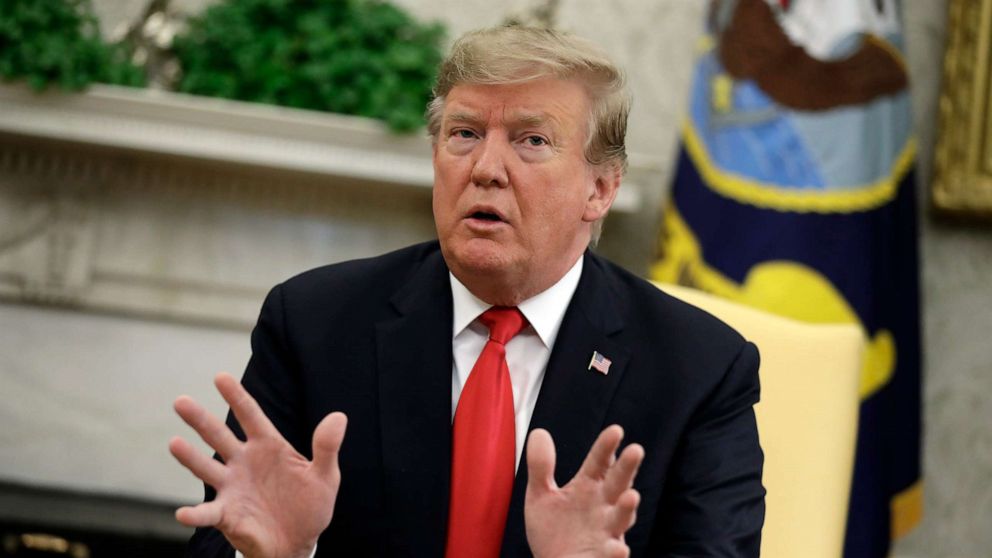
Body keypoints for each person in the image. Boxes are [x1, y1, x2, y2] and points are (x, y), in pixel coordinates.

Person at [169, 26, 765, 558]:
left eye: (531, 141)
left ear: (601, 190)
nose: (485, 167)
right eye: (464, 133)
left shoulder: (699, 369)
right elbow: (223, 540)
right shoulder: (315, 323)